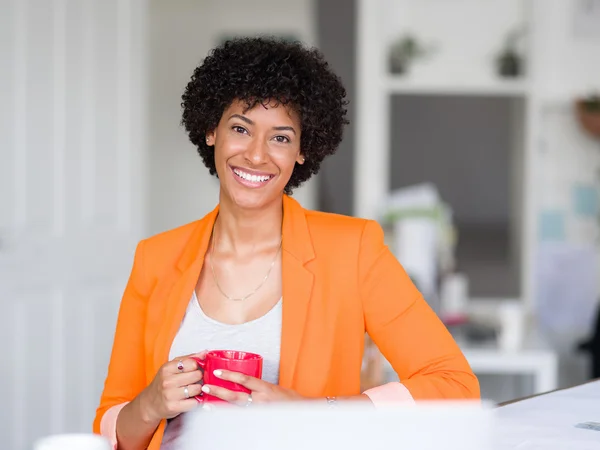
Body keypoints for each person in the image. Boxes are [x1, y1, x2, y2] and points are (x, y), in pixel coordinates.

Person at [93, 36, 480, 450]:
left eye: (280, 137)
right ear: (211, 131)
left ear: (302, 150)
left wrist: (313, 412)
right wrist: (150, 404)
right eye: (241, 129)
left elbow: (454, 386)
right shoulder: (155, 258)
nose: (257, 156)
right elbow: (113, 428)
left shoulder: (352, 250)